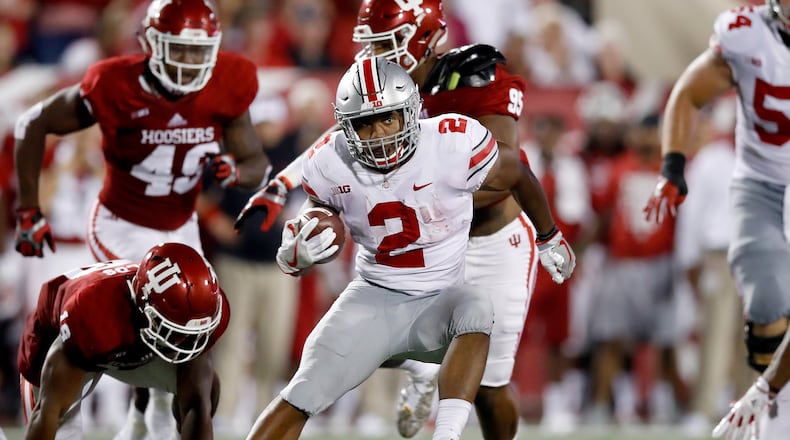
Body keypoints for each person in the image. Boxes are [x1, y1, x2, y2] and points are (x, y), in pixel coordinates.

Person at [235, 1, 562, 438]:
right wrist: (281, 189)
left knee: (490, 381)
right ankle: (423, 366)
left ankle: (437, 380)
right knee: (369, 334)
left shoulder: (472, 77)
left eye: (386, 43)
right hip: (410, 238)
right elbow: (337, 142)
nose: (375, 53)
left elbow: (508, 172)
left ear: (424, 37)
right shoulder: (375, 90)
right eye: (370, 43)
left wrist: (427, 191)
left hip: (486, 235)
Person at [12, 0, 270, 439]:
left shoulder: (231, 79)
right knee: (142, 309)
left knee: (187, 318)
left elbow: (255, 162)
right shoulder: (113, 82)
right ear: (151, 43)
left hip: (181, 223)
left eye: (198, 51)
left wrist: (235, 170)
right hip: (121, 221)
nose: (190, 63)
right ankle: (104, 408)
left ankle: (145, 414)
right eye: (179, 50)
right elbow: (32, 124)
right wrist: (29, 209)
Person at [643, 1, 790, 438]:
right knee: (767, 303)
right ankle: (772, 411)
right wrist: (672, 165)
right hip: (761, 180)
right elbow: (688, 93)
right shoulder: (745, 33)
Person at [17, 242, 230, 440]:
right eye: (176, 331)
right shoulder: (93, 315)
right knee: (63, 427)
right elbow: (49, 410)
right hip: (63, 340)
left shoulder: (200, 308)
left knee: (204, 384)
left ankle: (139, 423)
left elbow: (197, 402)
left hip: (131, 334)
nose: (186, 341)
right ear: (145, 306)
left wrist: (177, 332)